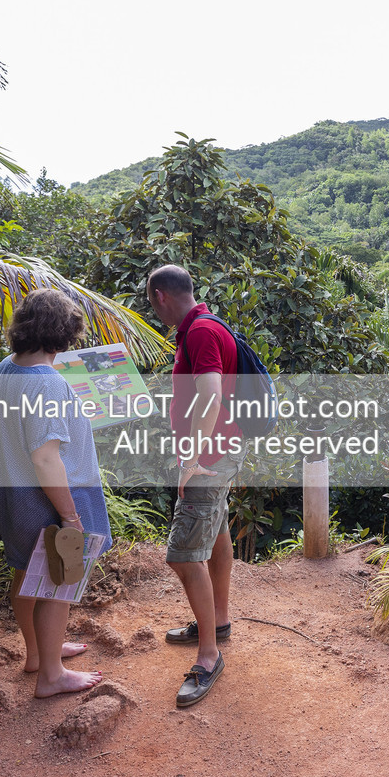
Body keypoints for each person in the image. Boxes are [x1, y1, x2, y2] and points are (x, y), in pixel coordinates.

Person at [0, 287, 110, 698]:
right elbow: (46, 459)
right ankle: (52, 677)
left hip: (12, 492)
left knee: (27, 574)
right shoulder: (48, 384)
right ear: (62, 334)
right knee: (59, 581)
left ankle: (40, 654)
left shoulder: (8, 368)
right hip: (48, 497)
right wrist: (71, 516)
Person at [147, 264, 245, 708]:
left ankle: (209, 656)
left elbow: (210, 394)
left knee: (184, 556)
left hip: (208, 458)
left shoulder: (201, 333)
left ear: (160, 296)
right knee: (217, 531)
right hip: (223, 450)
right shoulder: (204, 325)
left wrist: (191, 459)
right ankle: (217, 622)